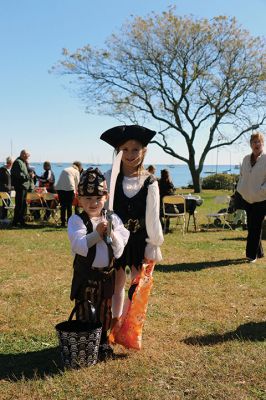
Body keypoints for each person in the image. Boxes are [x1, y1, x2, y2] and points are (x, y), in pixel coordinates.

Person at [100, 124, 164, 333]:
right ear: (118, 152)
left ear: (144, 151)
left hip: (138, 241)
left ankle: (130, 328)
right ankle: (114, 323)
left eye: (135, 149)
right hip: (115, 241)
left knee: (136, 287)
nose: (129, 154)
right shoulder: (110, 177)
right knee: (116, 284)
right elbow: (103, 208)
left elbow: (153, 217)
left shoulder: (150, 181)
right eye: (124, 149)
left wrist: (153, 244)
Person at [67, 167, 129, 360]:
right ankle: (85, 343)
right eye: (87, 199)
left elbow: (119, 248)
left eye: (97, 198)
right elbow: (79, 245)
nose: (93, 203)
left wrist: (110, 233)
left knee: (104, 311)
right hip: (86, 276)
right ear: (78, 198)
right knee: (86, 310)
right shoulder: (77, 220)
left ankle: (102, 343)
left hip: (106, 277)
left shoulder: (113, 218)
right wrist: (96, 234)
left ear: (106, 197)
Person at [237, 132, 266, 263]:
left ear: (263, 144)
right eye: (254, 142)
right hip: (247, 198)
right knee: (251, 225)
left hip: (262, 199)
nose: (256, 144)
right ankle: (259, 252)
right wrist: (241, 189)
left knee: (255, 227)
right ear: (250, 144)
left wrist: (261, 191)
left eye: (259, 141)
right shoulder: (245, 159)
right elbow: (242, 175)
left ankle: (251, 255)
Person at [56, 161, 82, 227]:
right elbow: (77, 183)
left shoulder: (66, 169)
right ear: (78, 167)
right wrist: (77, 192)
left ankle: (62, 223)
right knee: (69, 206)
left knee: (63, 206)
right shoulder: (76, 171)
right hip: (69, 189)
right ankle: (69, 223)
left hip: (59, 188)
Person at [11, 149, 33, 227]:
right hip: (20, 186)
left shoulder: (23, 162)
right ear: (23, 154)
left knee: (23, 205)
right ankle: (15, 222)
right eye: (27, 156)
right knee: (19, 205)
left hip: (24, 186)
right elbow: (18, 175)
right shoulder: (18, 162)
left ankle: (21, 221)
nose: (28, 157)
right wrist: (28, 176)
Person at [158, 169, 176, 233]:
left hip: (161, 201)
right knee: (167, 213)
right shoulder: (169, 182)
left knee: (158, 214)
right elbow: (173, 190)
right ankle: (167, 227)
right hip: (170, 206)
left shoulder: (159, 182)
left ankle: (163, 226)